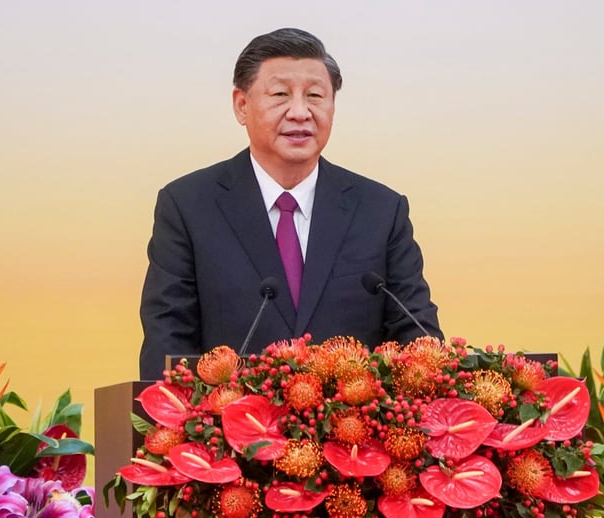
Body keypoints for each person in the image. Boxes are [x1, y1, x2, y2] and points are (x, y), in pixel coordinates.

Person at [139, 27, 441, 380]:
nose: (300, 112)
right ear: (241, 105)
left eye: (315, 96)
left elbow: (417, 336)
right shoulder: (189, 206)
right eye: (280, 94)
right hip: (228, 415)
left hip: (357, 414)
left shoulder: (381, 210)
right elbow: (167, 343)